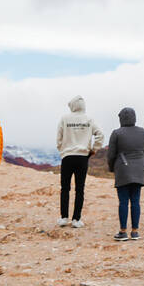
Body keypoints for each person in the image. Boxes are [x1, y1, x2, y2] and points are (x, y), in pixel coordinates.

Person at [55, 95, 104, 228]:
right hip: (82, 157)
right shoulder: (89, 119)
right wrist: (94, 149)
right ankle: (76, 219)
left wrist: (62, 150)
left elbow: (58, 137)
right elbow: (100, 134)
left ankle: (64, 217)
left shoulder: (64, 118)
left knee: (65, 188)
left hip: (67, 156)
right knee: (80, 188)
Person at [106, 108, 144, 241]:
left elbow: (111, 155)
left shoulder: (117, 133)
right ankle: (135, 231)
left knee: (123, 201)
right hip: (139, 169)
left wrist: (112, 168)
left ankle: (123, 231)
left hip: (122, 169)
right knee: (136, 201)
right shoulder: (143, 132)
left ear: (121, 119)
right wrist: (141, 164)